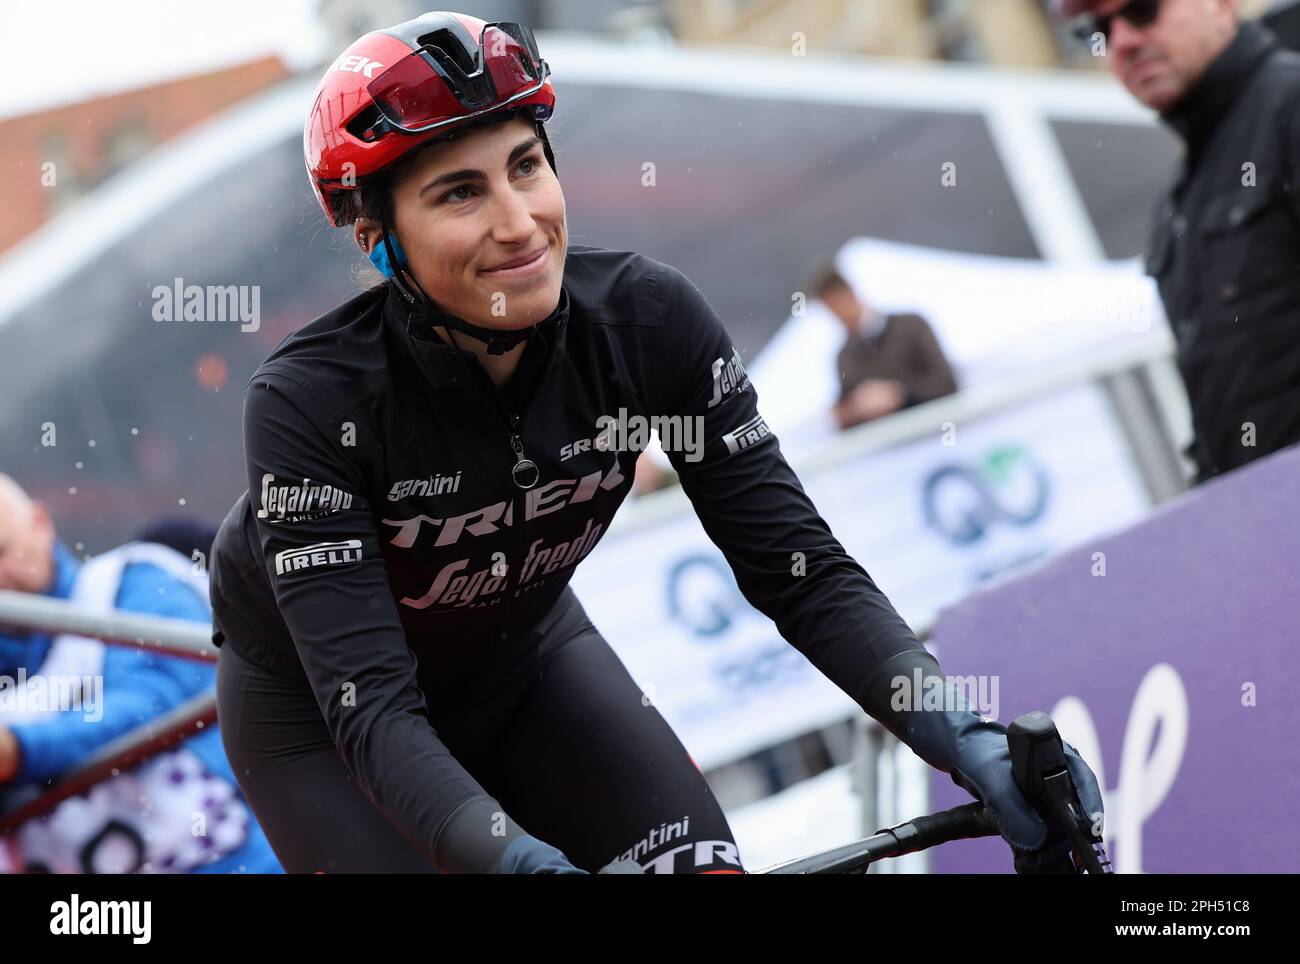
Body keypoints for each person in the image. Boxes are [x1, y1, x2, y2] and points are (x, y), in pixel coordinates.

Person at [209, 11, 1103, 874]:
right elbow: (379, 715)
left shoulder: (646, 324)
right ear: (377, 239)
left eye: (526, 167)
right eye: (459, 193)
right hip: (329, 723)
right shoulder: (308, 403)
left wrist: (964, 734)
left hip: (526, 659)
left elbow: (802, 574)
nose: (518, 222)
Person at [1056, 0, 1300, 482]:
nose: (1121, 40)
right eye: (1100, 30)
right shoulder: (1182, 197)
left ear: (1222, 5)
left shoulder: (1290, 109)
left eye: (1143, 11)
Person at [0, 474, 280, 873]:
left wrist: (19, 751)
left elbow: (150, 698)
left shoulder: (132, 579)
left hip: (240, 860)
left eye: (2, 552)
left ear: (40, 523)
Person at [812, 265, 957, 431]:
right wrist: (848, 412)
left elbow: (946, 383)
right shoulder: (844, 357)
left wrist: (898, 394)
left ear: (851, 294)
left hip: (936, 437)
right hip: (890, 453)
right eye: (832, 312)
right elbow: (846, 419)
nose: (838, 317)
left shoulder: (911, 325)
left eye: (838, 307)